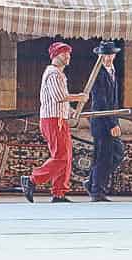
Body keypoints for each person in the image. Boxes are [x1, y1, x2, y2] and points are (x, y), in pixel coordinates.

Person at [21, 41, 82, 204]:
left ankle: (59, 192)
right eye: (64, 54)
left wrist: (71, 111)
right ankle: (32, 179)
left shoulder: (60, 74)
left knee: (66, 156)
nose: (68, 57)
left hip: (60, 119)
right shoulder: (53, 73)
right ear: (55, 56)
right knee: (61, 157)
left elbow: (61, 101)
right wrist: (79, 97)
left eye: (68, 54)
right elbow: (59, 97)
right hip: (52, 120)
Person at [85, 41, 125, 202]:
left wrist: (116, 122)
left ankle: (92, 183)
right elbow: (101, 103)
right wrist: (112, 124)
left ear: (114, 55)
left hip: (110, 119)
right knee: (103, 157)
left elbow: (113, 102)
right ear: (100, 56)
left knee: (116, 153)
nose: (107, 58)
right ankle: (97, 191)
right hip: (102, 122)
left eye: (110, 55)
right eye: (104, 55)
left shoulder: (112, 71)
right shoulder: (98, 74)